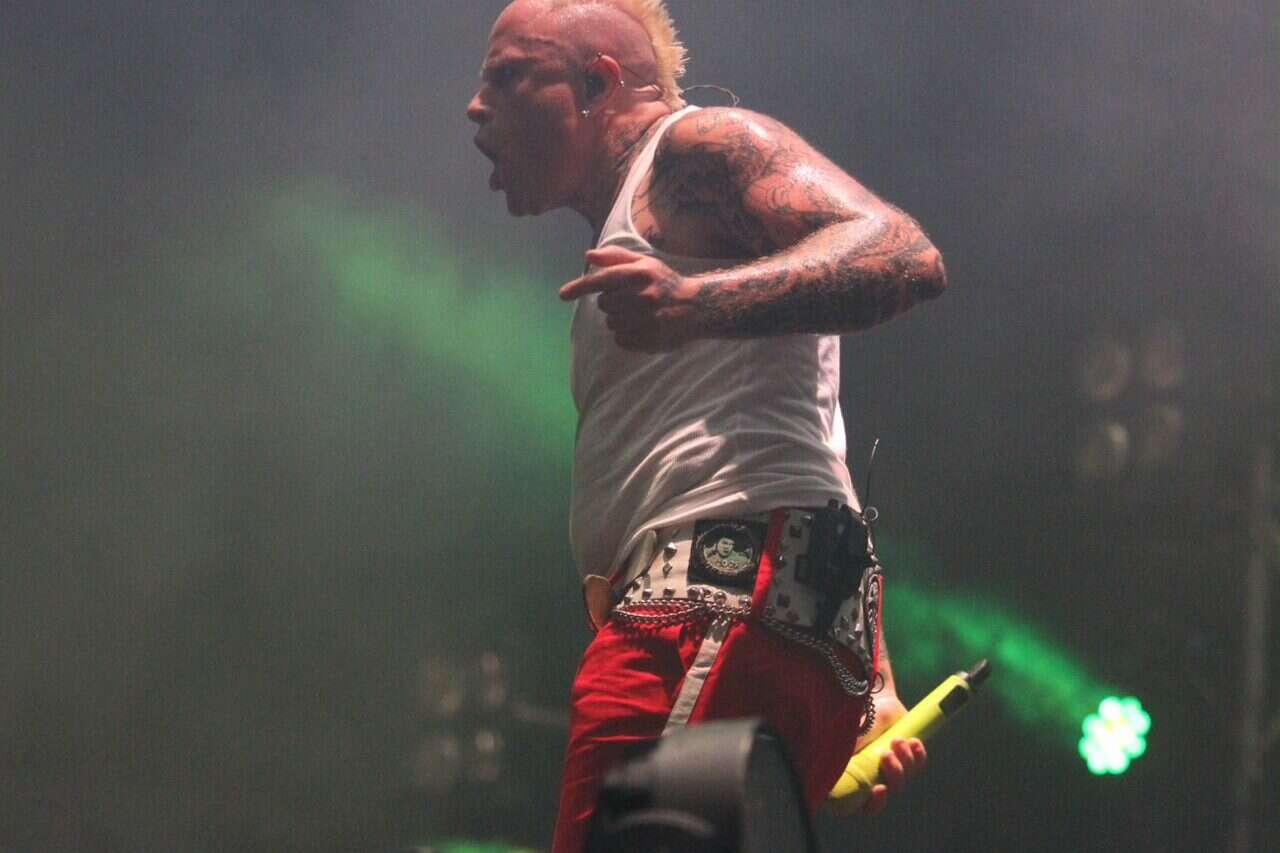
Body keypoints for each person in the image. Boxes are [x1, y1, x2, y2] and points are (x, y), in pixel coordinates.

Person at [466, 1, 947, 850]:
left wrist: (697, 303)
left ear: (598, 84)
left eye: (507, 77)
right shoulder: (648, 223)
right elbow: (803, 432)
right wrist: (872, 678)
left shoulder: (694, 148)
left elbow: (904, 253)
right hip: (741, 612)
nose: (476, 107)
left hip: (703, 615)